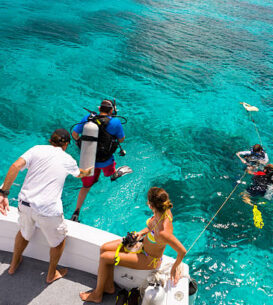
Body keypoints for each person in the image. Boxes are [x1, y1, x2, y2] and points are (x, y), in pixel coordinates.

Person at [0, 129, 92, 283]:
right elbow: (79, 174)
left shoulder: (36, 149)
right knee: (58, 241)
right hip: (48, 210)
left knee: (23, 233)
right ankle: (51, 274)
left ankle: (13, 265)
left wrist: (3, 193)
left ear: (50, 141)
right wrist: (88, 171)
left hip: (25, 203)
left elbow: (15, 166)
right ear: (67, 144)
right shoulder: (68, 159)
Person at [79, 187, 187, 303]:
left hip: (148, 259)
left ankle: (97, 294)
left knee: (105, 258)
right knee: (104, 248)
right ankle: (109, 287)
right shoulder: (163, 211)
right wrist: (140, 233)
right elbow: (151, 228)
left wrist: (174, 268)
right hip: (141, 246)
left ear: (150, 205)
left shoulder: (163, 232)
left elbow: (182, 251)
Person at [71, 100, 126, 222]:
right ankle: (113, 175)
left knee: (85, 187)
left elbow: (74, 134)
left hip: (87, 161)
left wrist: (81, 143)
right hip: (106, 161)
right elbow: (121, 140)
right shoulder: (115, 122)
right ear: (111, 110)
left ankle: (76, 212)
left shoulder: (88, 118)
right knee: (110, 173)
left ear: (100, 108)